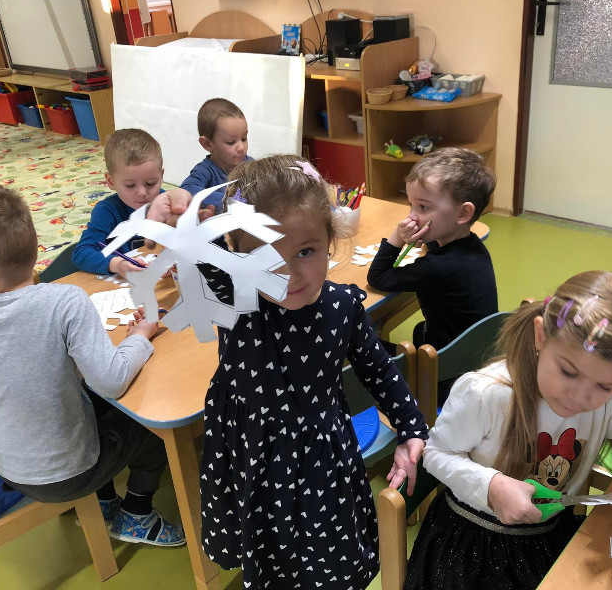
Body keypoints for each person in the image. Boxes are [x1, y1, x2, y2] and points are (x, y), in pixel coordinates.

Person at [150, 155, 429, 588]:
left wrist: (412, 428)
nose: (290, 275)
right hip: (248, 452)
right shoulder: (236, 298)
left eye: (306, 251)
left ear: (330, 239)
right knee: (266, 556)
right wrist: (173, 214)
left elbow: (380, 371)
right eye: (266, 258)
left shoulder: (343, 306)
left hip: (319, 460)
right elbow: (190, 249)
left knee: (325, 561)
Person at [404, 271, 612, 590]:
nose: (581, 397)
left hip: (548, 536)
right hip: (470, 544)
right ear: (540, 337)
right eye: (568, 372)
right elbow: (436, 453)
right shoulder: (486, 394)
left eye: (605, 385)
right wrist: (490, 486)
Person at [0, 184, 185, 547]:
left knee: (86, 399)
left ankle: (104, 501)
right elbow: (112, 381)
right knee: (151, 421)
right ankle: (137, 513)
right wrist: (141, 335)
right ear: (35, 247)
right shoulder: (64, 301)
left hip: (4, 466)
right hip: (70, 473)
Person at [367, 147, 498, 405]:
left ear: (463, 213)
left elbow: (378, 277)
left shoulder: (436, 268)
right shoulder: (472, 246)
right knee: (419, 331)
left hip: (446, 380)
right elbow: (438, 251)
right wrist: (426, 236)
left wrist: (396, 239)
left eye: (423, 207)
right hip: (474, 360)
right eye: (411, 205)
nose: (411, 216)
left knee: (360, 343)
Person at [72, 128, 165, 276]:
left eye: (150, 183)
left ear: (161, 176)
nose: (142, 192)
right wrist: (116, 264)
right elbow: (82, 253)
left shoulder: (165, 202)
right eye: (130, 185)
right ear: (111, 181)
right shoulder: (107, 211)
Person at [180, 98, 252, 210]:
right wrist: (226, 200)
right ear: (207, 144)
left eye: (244, 138)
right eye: (231, 142)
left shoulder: (250, 165)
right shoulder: (205, 170)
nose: (241, 148)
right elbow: (186, 190)